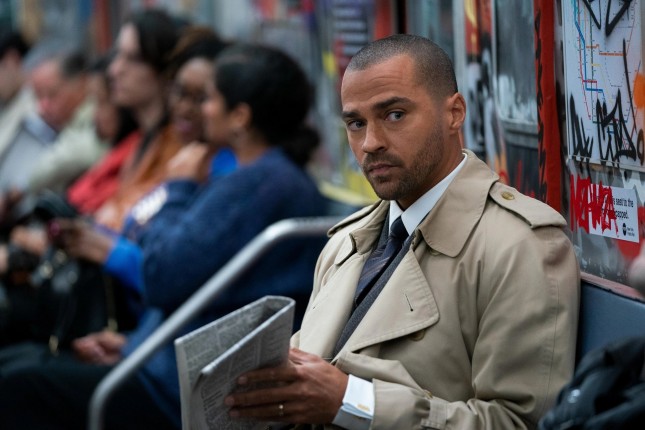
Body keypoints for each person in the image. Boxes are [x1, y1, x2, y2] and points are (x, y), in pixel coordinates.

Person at [222, 34, 580, 429]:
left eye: (394, 115)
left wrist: (352, 403)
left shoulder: (519, 245)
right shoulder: (345, 242)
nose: (370, 143)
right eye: (356, 124)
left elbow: (518, 422)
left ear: (454, 113)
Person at [0, 42, 327, 430]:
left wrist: (178, 187)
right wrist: (135, 343)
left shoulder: (260, 185)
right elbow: (202, 286)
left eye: (209, 99)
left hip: (181, 392)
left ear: (239, 116)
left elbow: (161, 275)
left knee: (18, 386)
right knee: (16, 366)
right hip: (170, 365)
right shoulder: (261, 178)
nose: (201, 111)